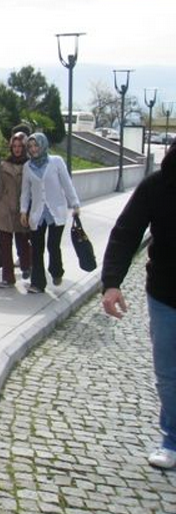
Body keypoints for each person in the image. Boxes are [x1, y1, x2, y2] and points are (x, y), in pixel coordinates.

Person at [101, 142, 176, 469]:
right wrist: (112, 283)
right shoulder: (157, 185)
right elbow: (126, 232)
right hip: (166, 294)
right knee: (169, 374)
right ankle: (172, 439)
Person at [19, 132, 80, 294]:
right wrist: (23, 211)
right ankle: (38, 283)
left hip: (56, 212)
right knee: (37, 249)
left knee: (53, 245)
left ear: (43, 145)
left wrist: (75, 204)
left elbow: (67, 183)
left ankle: (56, 271)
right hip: (37, 214)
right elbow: (25, 192)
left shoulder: (56, 161)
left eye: (36, 145)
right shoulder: (27, 167)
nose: (33, 149)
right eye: (30, 146)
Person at [0, 131, 32, 289]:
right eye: (14, 146)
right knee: (5, 245)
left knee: (23, 242)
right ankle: (8, 278)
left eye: (20, 146)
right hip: (5, 208)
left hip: (22, 210)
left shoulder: (29, 165)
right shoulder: (4, 165)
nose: (17, 149)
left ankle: (27, 265)